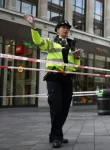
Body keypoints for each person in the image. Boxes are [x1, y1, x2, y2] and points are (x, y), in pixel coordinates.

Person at [24, 15, 81, 148]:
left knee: (65, 108)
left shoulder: (72, 45)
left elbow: (76, 65)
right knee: (56, 106)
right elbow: (38, 41)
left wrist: (77, 58)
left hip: (67, 78)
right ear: (57, 30)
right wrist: (33, 26)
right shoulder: (50, 42)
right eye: (63, 28)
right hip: (54, 77)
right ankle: (56, 137)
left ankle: (55, 134)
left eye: (67, 28)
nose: (65, 30)